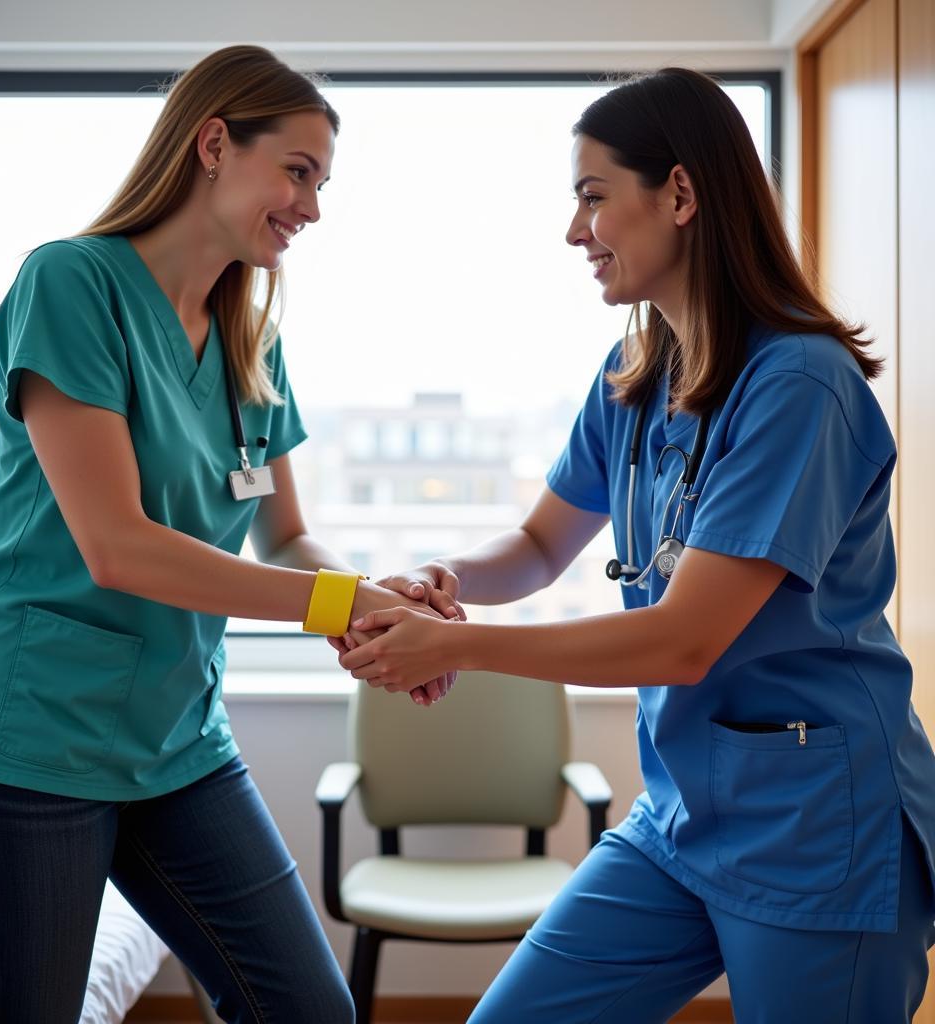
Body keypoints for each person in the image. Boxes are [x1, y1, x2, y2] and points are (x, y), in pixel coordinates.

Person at [335, 68, 935, 1022]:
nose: (576, 232)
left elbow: (682, 641)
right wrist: (442, 580)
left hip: (819, 820)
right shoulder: (634, 369)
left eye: (592, 197)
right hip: (683, 813)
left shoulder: (799, 386)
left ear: (682, 195)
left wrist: (456, 644)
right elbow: (538, 546)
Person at [0, 44, 454, 1024]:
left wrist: (376, 606)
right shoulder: (72, 285)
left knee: (308, 1011)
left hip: (176, 743)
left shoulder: (252, 337)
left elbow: (287, 538)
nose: (312, 208)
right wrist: (341, 602)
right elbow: (118, 546)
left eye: (321, 182)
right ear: (213, 142)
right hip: (27, 740)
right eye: (297, 171)